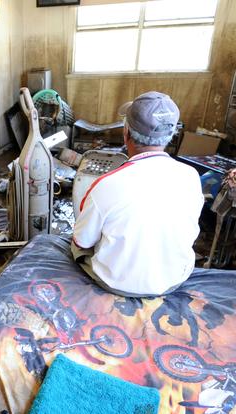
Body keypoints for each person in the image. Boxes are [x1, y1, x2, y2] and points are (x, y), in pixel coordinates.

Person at [71, 91, 204, 297]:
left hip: (116, 283)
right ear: (170, 136)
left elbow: (83, 241)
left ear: (126, 133)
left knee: (78, 245)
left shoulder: (107, 184)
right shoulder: (191, 176)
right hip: (174, 279)